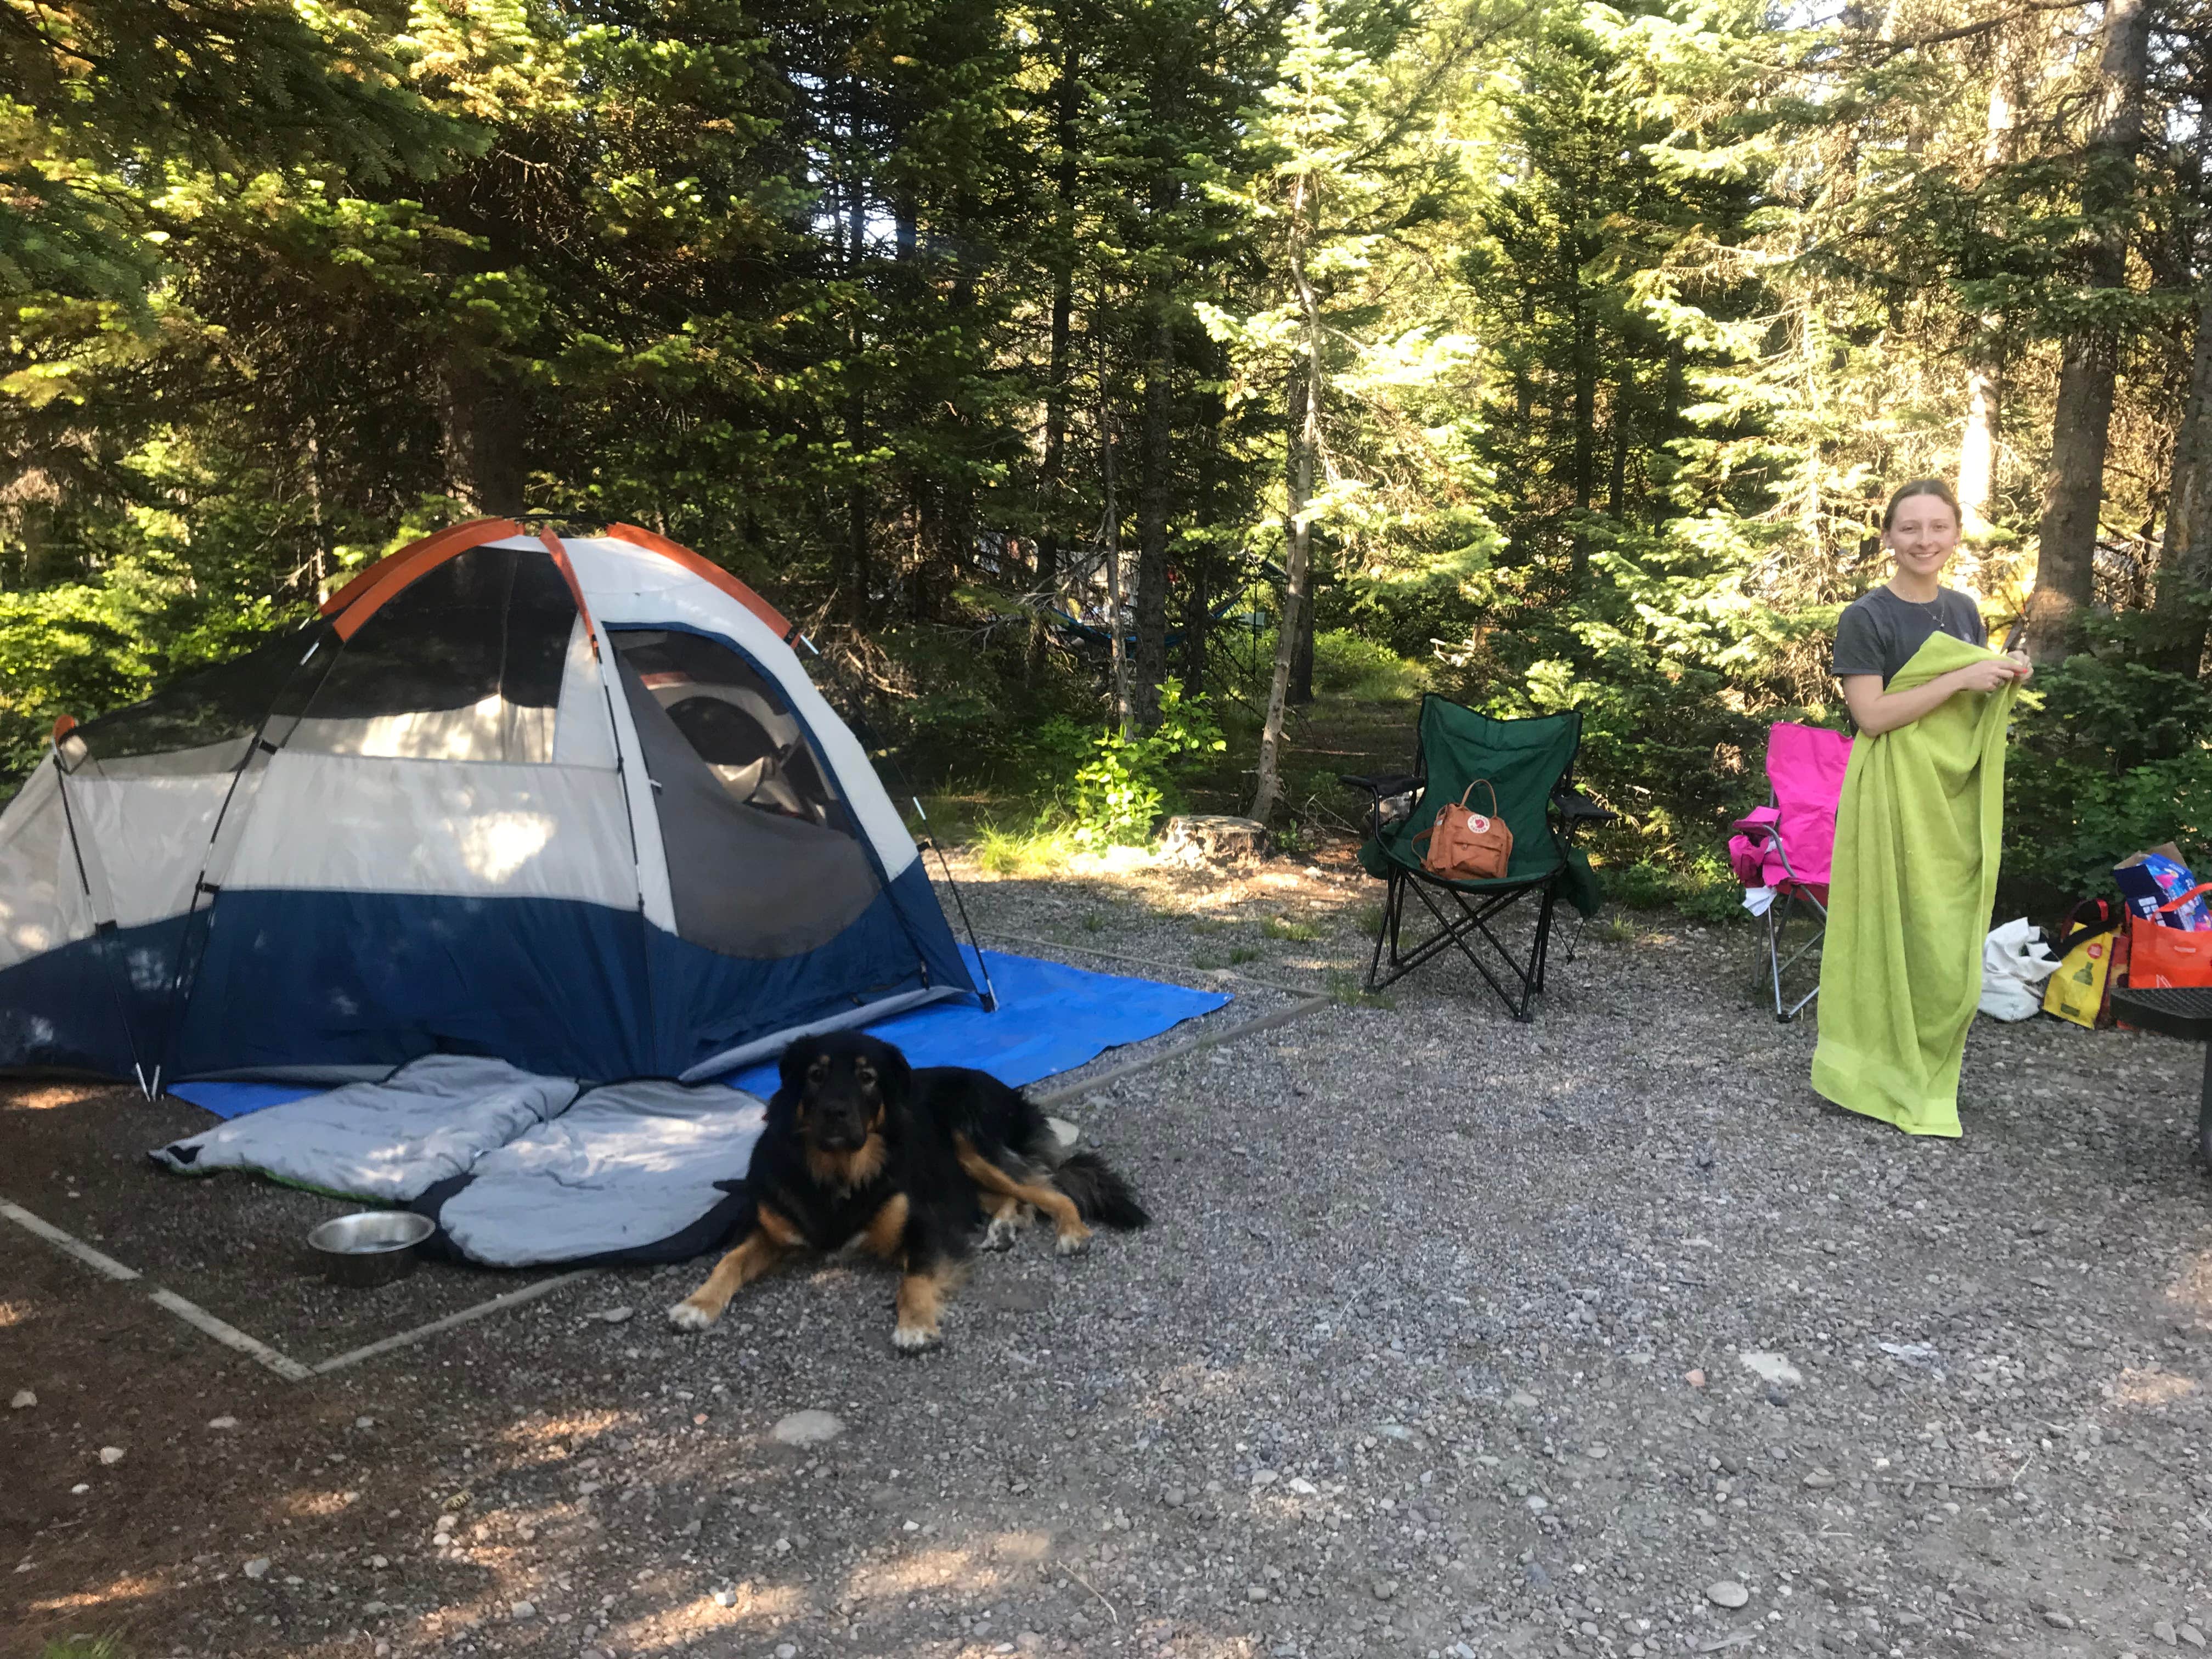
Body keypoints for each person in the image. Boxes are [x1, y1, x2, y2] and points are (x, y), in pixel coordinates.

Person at [1810, 479, 2032, 1137]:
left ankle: (1927, 1062)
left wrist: (2004, 676)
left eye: (1938, 527)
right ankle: (1871, 1071)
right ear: (1888, 538)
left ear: (1956, 534)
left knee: (1942, 928)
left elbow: (1961, 708)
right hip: (1890, 790)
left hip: (1946, 792)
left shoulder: (1964, 611)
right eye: (1910, 529)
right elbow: (1872, 716)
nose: (1925, 541)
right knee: (1888, 926)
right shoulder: (1868, 617)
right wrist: (1962, 676)